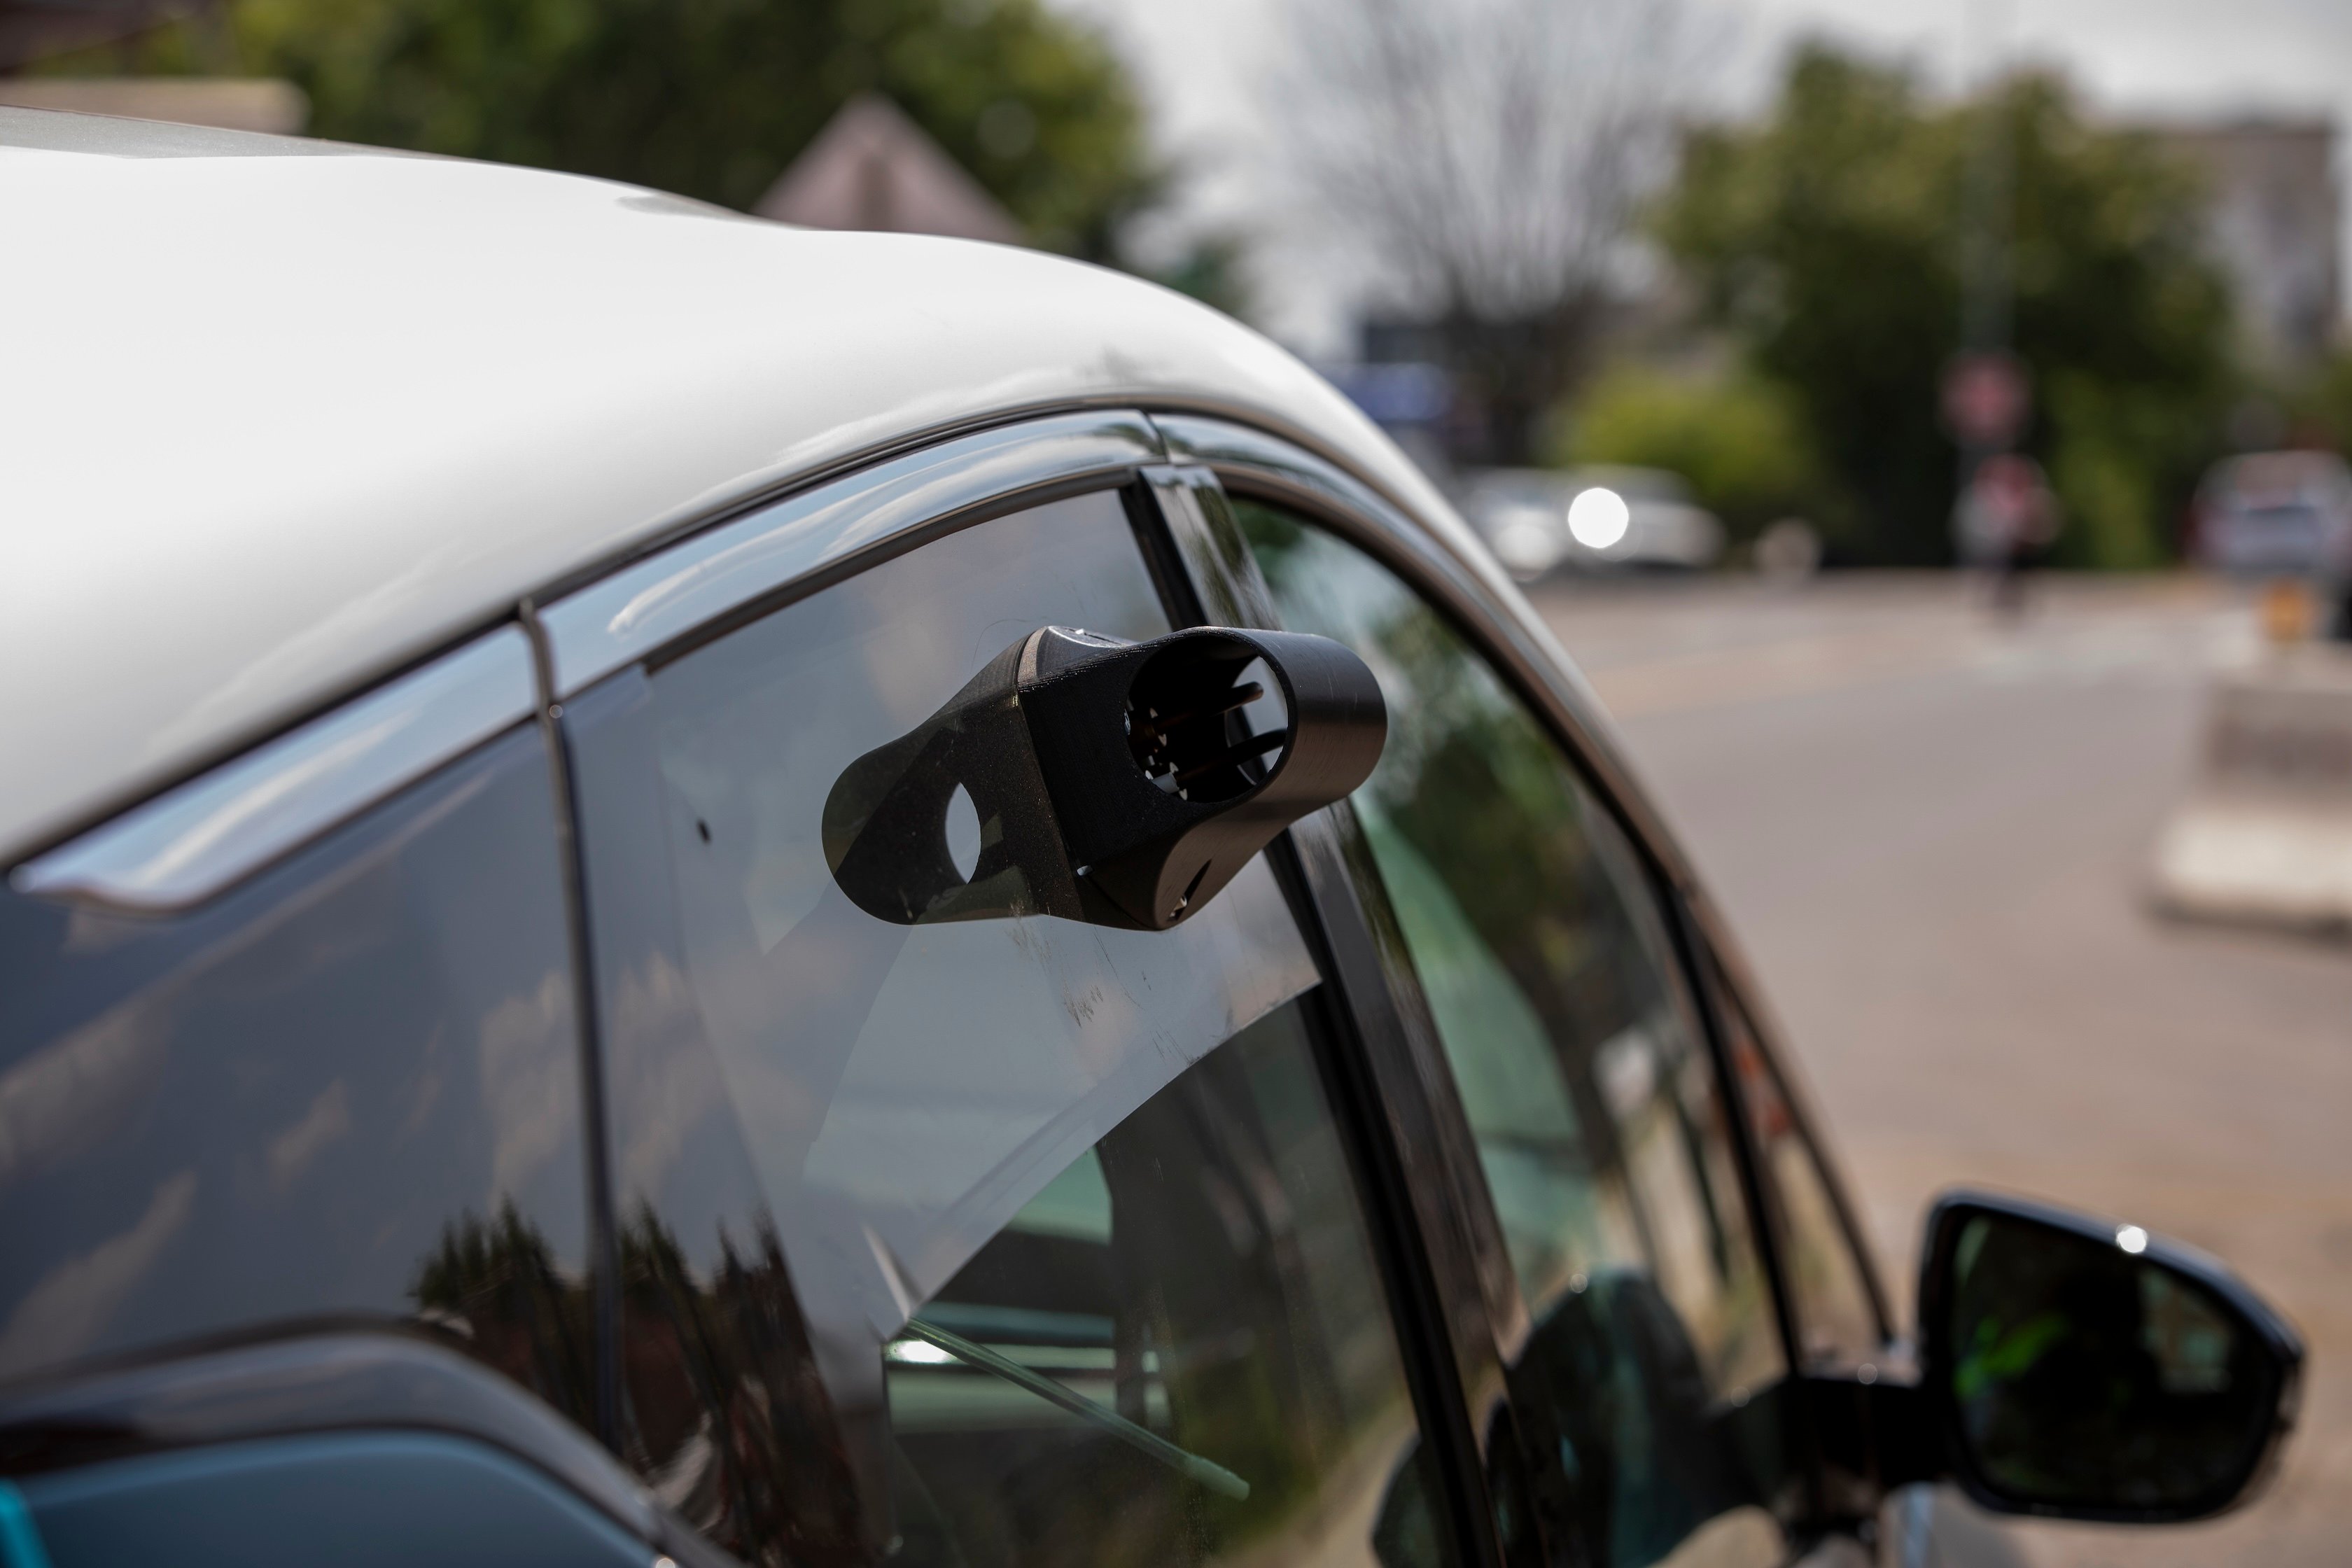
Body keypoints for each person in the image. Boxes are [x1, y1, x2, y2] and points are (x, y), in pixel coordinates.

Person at [1953, 453, 2062, 612]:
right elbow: (1975, 533)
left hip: (2013, 551)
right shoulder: (1982, 499)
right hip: (1989, 549)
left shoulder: (2032, 499)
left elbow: (2046, 531)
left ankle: (2011, 592)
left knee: (2019, 553)